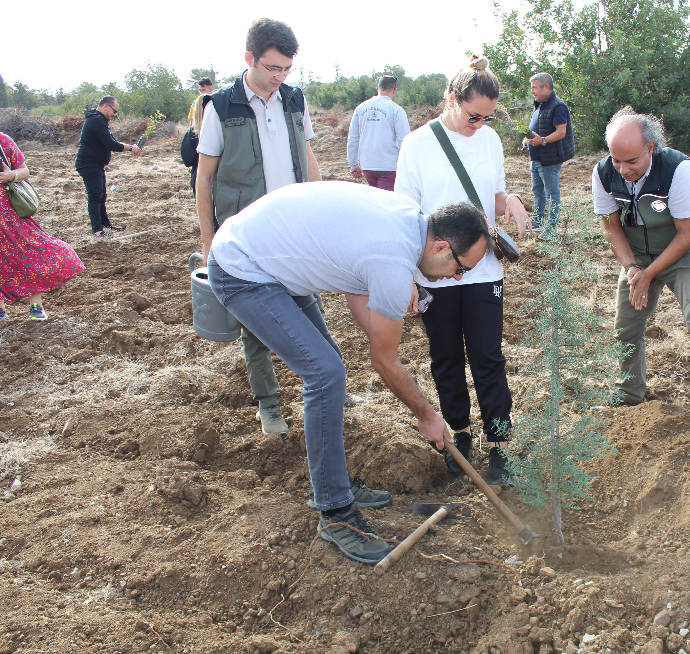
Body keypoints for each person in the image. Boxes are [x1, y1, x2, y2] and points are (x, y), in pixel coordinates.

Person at [208, 182, 490, 563]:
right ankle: (335, 512)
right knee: (324, 374)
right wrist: (426, 415)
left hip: (273, 254)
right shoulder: (393, 262)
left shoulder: (409, 223)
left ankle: (334, 481)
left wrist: (388, 307)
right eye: (459, 268)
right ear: (440, 245)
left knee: (330, 366)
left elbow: (360, 292)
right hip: (243, 267)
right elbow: (383, 360)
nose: (457, 278)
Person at [395, 55, 530, 483]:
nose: (480, 125)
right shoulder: (417, 144)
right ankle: (461, 434)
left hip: (483, 269)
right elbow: (404, 215)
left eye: (488, 118)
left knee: (489, 357)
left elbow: (492, 197)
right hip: (434, 271)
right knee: (447, 357)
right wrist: (408, 276)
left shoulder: (488, 140)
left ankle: (500, 446)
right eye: (474, 116)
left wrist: (510, 201)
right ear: (451, 99)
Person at [196, 17, 324, 438]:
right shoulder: (220, 107)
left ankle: (326, 381)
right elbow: (205, 178)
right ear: (249, 58)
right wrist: (209, 239)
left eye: (287, 68)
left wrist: (321, 206)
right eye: (273, 68)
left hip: (295, 230)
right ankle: (268, 404)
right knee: (256, 322)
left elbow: (307, 156)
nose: (280, 76)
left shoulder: (293, 99)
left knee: (311, 307)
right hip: (244, 236)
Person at [592, 107, 690, 447]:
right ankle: (629, 394)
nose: (623, 169)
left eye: (631, 161)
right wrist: (632, 269)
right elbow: (611, 227)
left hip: (684, 251)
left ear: (650, 148)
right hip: (637, 256)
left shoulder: (677, 170)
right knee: (626, 327)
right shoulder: (603, 172)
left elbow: (688, 233)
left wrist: (650, 274)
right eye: (616, 160)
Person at [0, 131, 84, 325]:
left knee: (29, 254)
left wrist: (10, 175)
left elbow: (24, 171)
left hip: (12, 216)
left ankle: (36, 306)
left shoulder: (1, 141)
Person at [75, 96, 141, 239]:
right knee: (95, 196)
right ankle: (98, 231)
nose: (114, 115)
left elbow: (109, 142)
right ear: (105, 106)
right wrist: (131, 148)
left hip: (95, 164)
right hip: (88, 163)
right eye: (114, 111)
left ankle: (105, 225)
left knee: (101, 195)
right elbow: (111, 144)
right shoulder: (96, 120)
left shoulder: (98, 119)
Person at [523, 72, 575, 239]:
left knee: (552, 193)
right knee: (538, 190)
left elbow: (561, 132)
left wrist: (542, 141)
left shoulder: (558, 106)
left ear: (546, 87)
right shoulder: (539, 105)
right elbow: (538, 127)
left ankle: (552, 228)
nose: (532, 91)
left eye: (535, 88)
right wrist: (527, 139)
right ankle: (537, 221)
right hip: (537, 157)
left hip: (550, 159)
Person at [347, 76, 411, 191]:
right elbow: (404, 140)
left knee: (375, 200)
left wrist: (354, 164)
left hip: (367, 165)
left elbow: (353, 138)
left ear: (378, 88)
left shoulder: (360, 108)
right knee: (386, 202)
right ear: (395, 89)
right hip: (388, 166)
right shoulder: (396, 110)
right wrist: (408, 164)